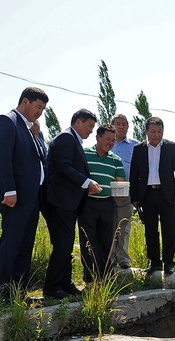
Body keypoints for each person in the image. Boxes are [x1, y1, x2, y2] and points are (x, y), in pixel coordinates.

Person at [0, 87, 49, 298]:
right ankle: (2, 291)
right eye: (38, 107)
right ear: (25, 101)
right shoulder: (6, 121)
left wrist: (38, 133)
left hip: (32, 197)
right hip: (15, 196)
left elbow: (41, 157)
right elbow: (2, 159)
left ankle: (19, 291)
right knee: (12, 243)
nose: (40, 112)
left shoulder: (30, 129)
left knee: (26, 245)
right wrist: (9, 190)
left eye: (43, 109)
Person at [43, 109, 101, 299]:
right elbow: (64, 167)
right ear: (78, 122)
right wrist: (87, 182)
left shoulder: (74, 140)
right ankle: (52, 287)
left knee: (66, 245)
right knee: (62, 244)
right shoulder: (66, 138)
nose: (91, 131)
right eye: (90, 126)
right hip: (60, 201)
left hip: (69, 202)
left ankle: (65, 284)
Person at [129, 117, 175, 275]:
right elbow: (134, 175)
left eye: (159, 131)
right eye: (153, 131)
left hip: (167, 194)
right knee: (150, 230)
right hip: (146, 195)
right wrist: (134, 197)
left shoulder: (171, 147)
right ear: (146, 131)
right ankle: (154, 262)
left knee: (169, 229)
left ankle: (168, 262)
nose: (156, 135)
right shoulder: (138, 149)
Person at [78, 123, 124, 283]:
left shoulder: (116, 160)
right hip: (87, 204)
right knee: (88, 242)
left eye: (113, 140)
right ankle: (90, 278)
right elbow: (77, 177)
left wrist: (122, 189)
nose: (110, 143)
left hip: (108, 204)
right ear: (97, 137)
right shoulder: (83, 154)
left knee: (107, 241)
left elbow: (120, 182)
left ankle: (106, 277)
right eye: (108, 139)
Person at [110, 114, 138, 269]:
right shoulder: (106, 143)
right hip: (107, 189)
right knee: (109, 225)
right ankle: (110, 258)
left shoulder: (135, 145)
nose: (121, 127)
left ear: (128, 127)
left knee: (124, 226)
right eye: (118, 124)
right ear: (112, 125)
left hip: (127, 189)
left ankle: (123, 258)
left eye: (124, 124)